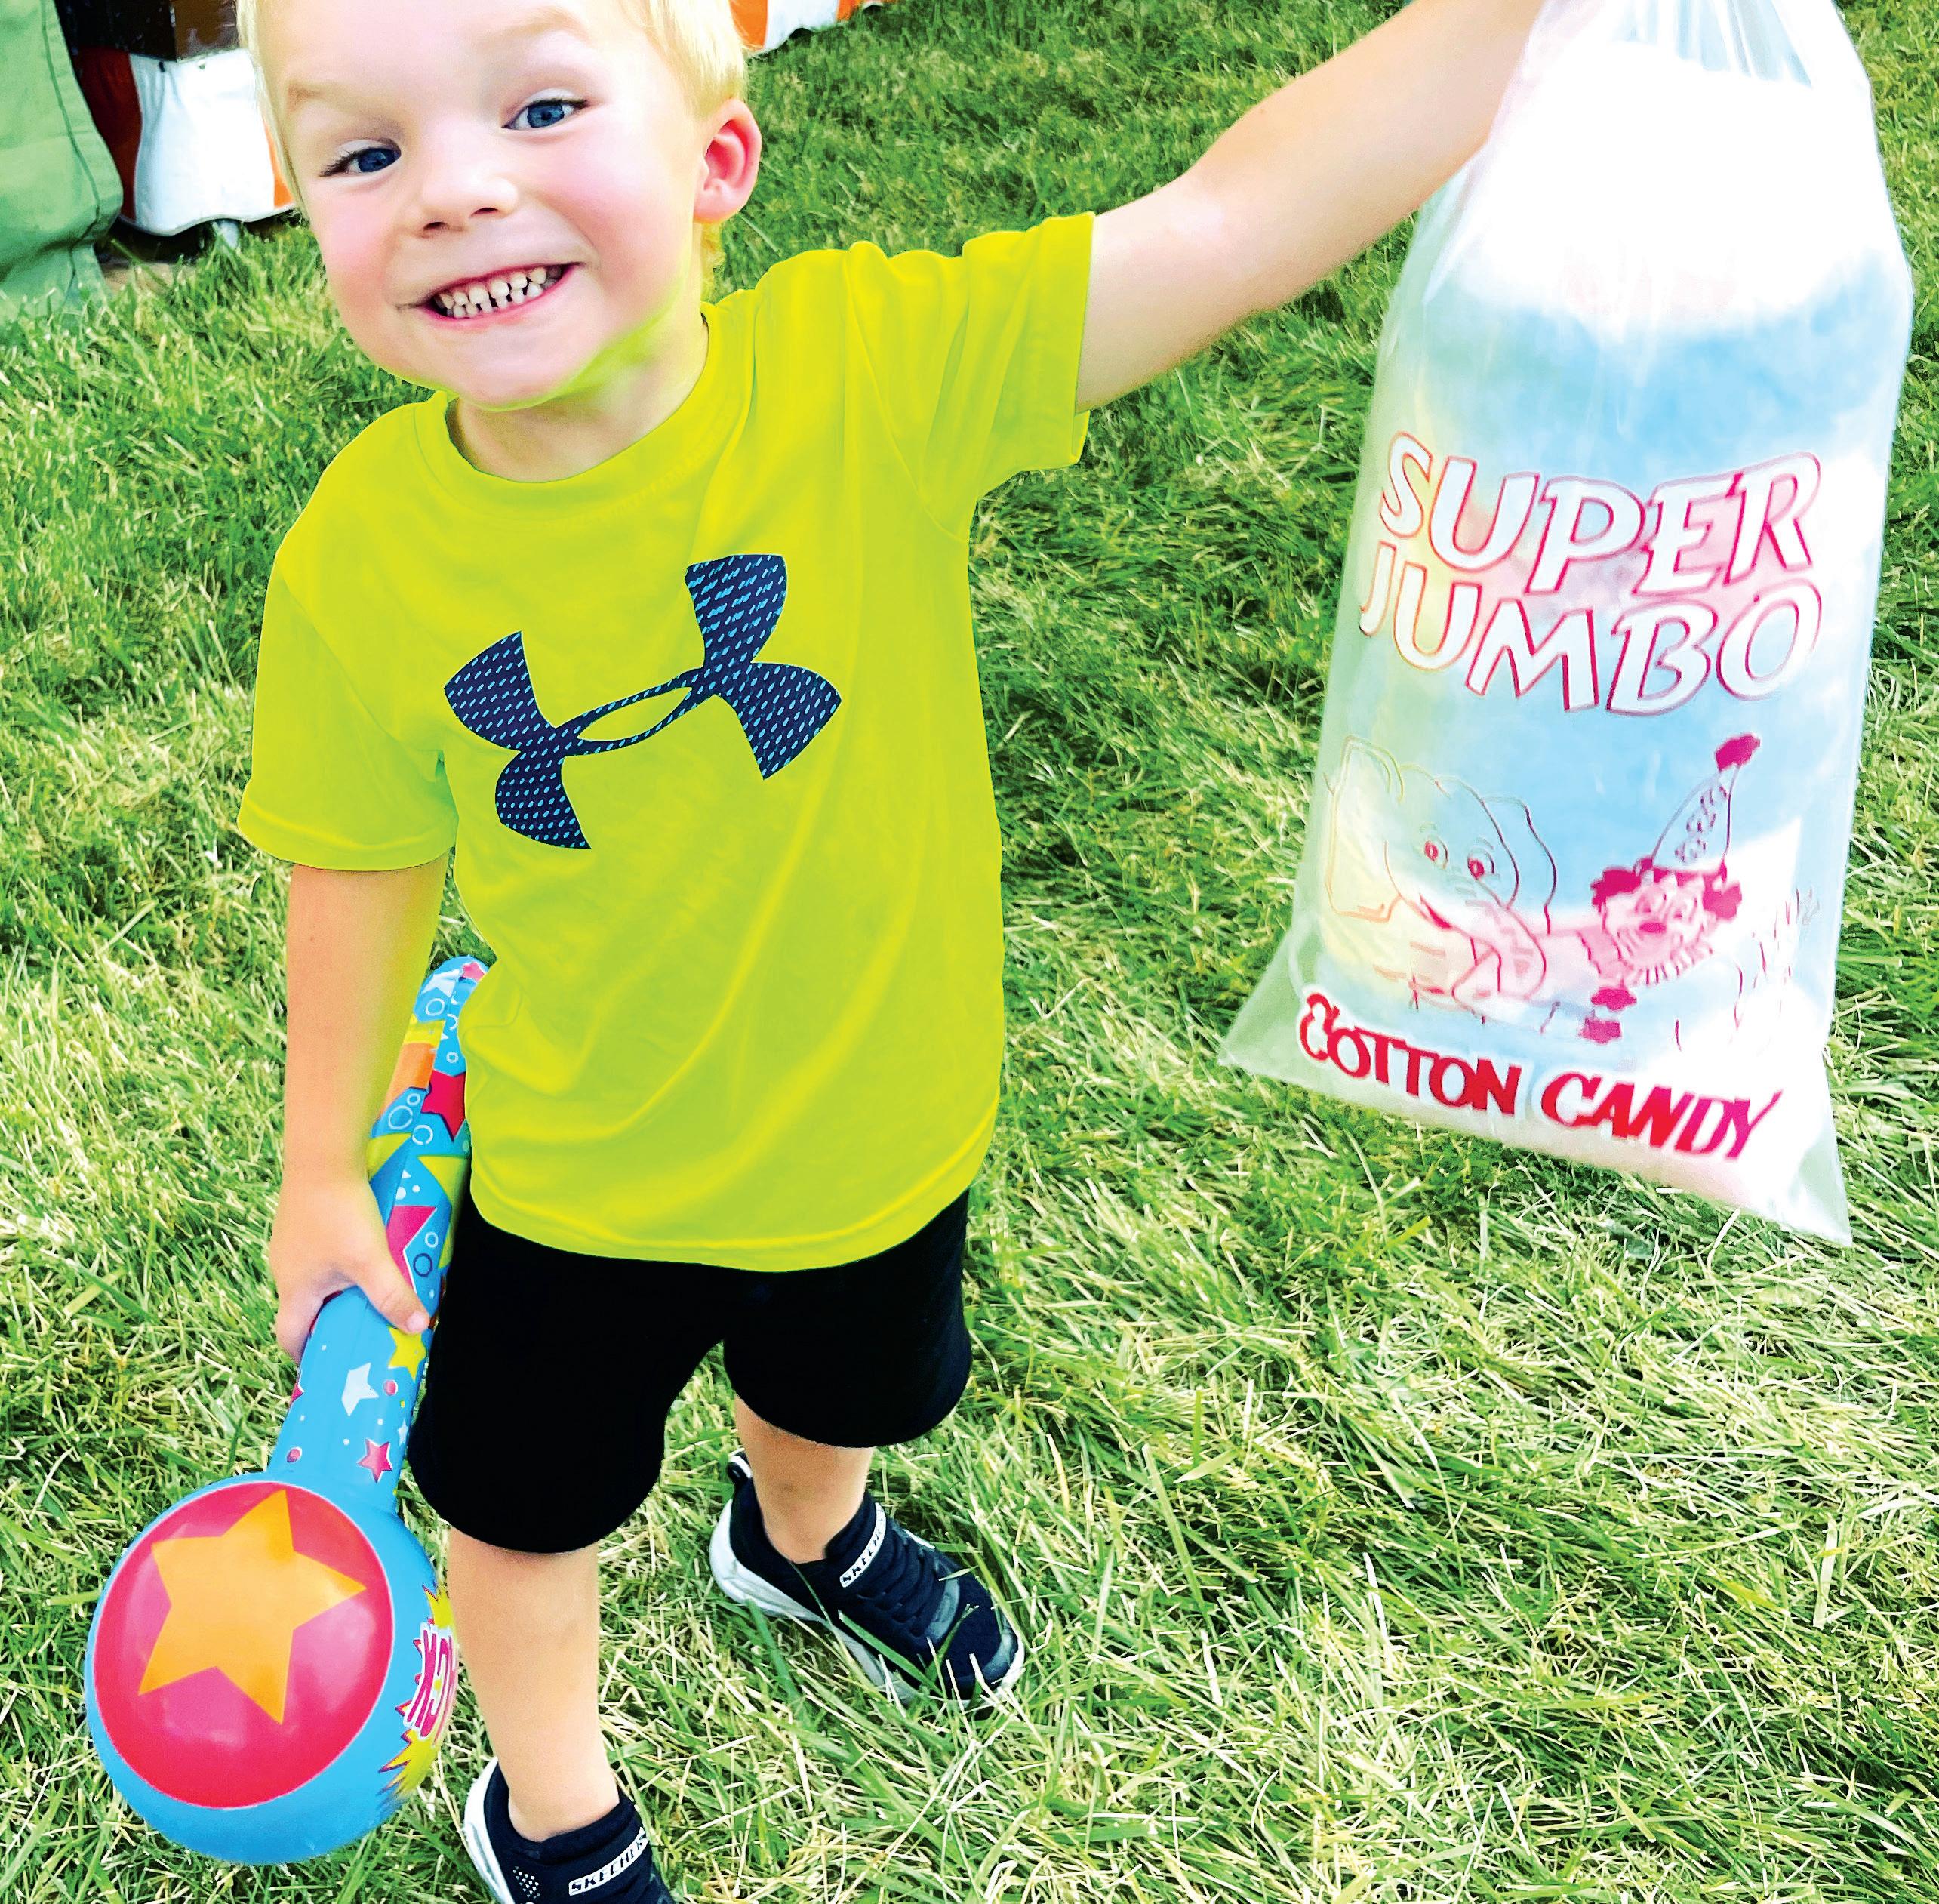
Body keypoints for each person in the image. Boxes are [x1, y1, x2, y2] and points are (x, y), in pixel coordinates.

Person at [232, 0, 1545, 1895]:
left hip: (881, 1115)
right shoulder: (364, 554)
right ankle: (553, 1798)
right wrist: (313, 1170)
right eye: (362, 154)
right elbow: (353, 868)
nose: (451, 189)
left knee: (845, 1390)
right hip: (580, 1168)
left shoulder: (871, 373)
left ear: (716, 164)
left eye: (536, 102)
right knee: (521, 1507)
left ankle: (802, 1542)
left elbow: (1228, 224)